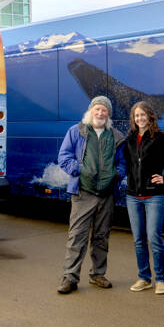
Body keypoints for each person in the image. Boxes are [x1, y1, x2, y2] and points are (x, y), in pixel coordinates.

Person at [56, 96, 125, 294]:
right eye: (97, 109)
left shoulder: (116, 136)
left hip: (106, 195)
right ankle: (70, 277)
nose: (100, 113)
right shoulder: (76, 131)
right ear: (90, 111)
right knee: (77, 236)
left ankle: (98, 274)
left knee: (102, 237)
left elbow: (122, 162)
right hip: (83, 193)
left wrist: (117, 175)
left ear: (108, 114)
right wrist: (79, 169)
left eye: (104, 110)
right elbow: (64, 157)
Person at [123, 101, 164, 295]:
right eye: (136, 116)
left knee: (154, 237)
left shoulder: (160, 137)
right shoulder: (130, 138)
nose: (139, 118)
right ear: (133, 119)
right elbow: (126, 163)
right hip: (133, 196)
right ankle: (144, 278)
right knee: (138, 239)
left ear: (150, 116)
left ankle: (161, 279)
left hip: (154, 195)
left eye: (143, 115)